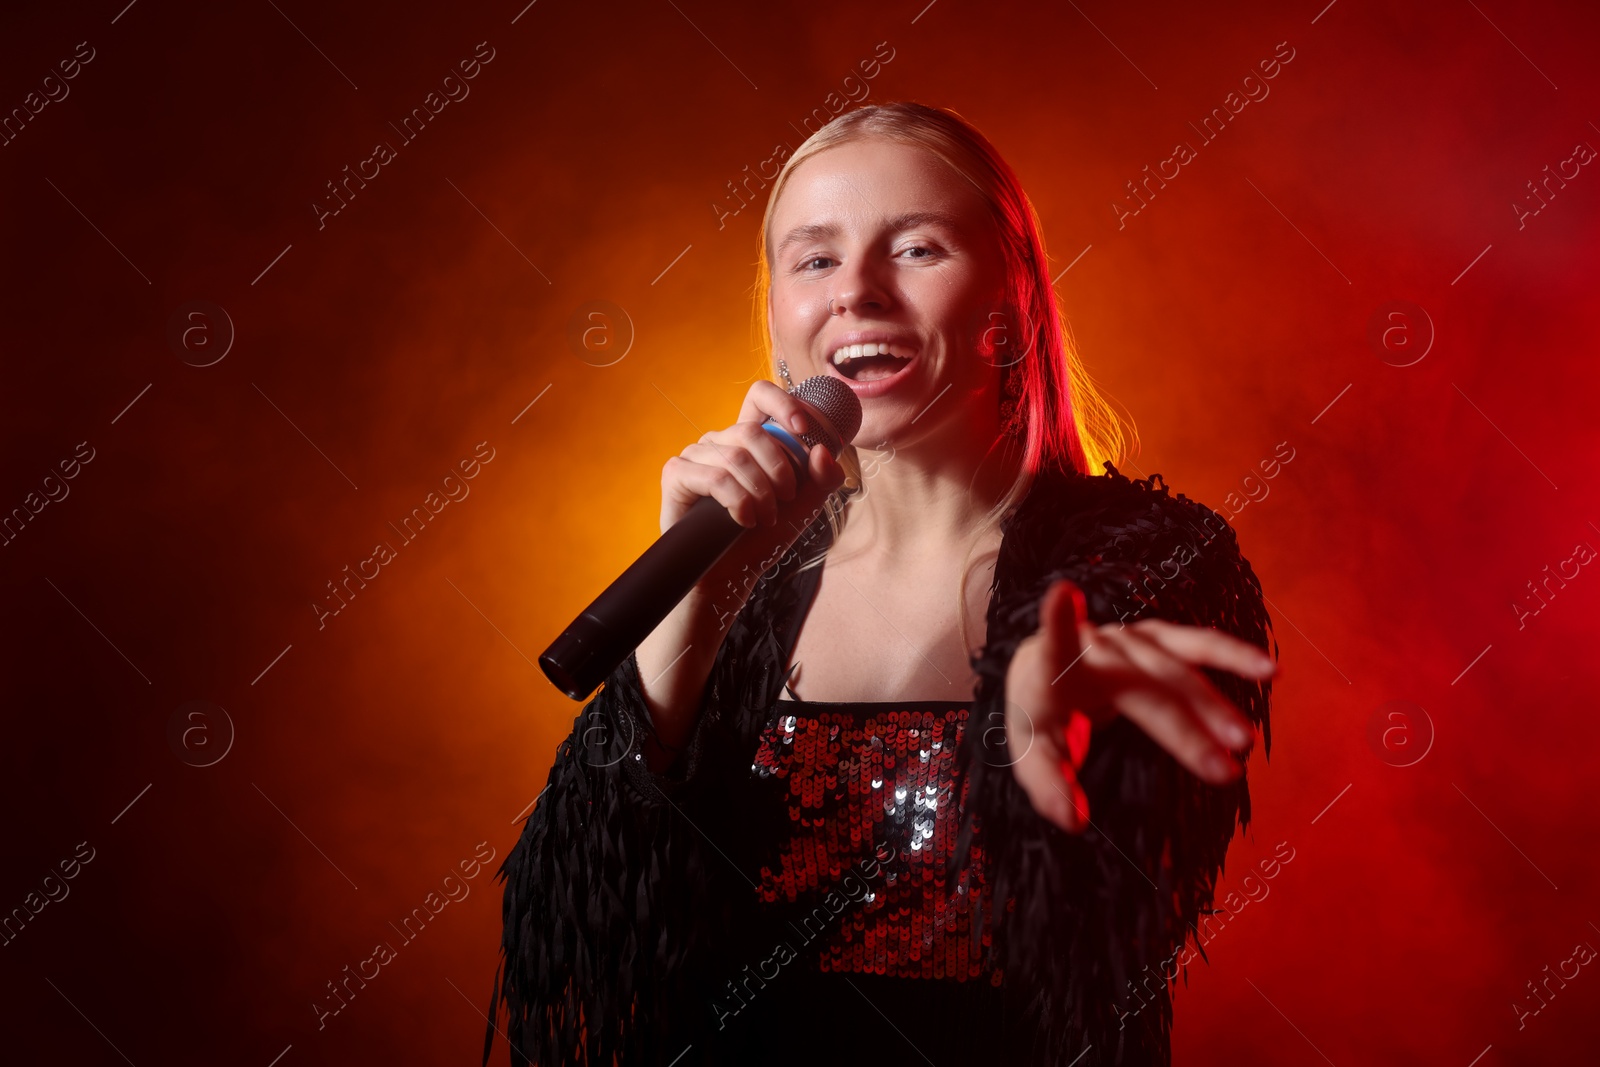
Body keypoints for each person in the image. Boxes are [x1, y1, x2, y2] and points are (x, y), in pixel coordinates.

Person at [484, 101, 1279, 1067]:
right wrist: (701, 596)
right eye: (815, 260)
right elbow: (582, 933)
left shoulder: (1151, 561)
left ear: (1012, 298)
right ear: (779, 310)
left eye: (916, 249)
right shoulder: (751, 584)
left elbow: (1130, 912)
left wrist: (1059, 750)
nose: (856, 291)